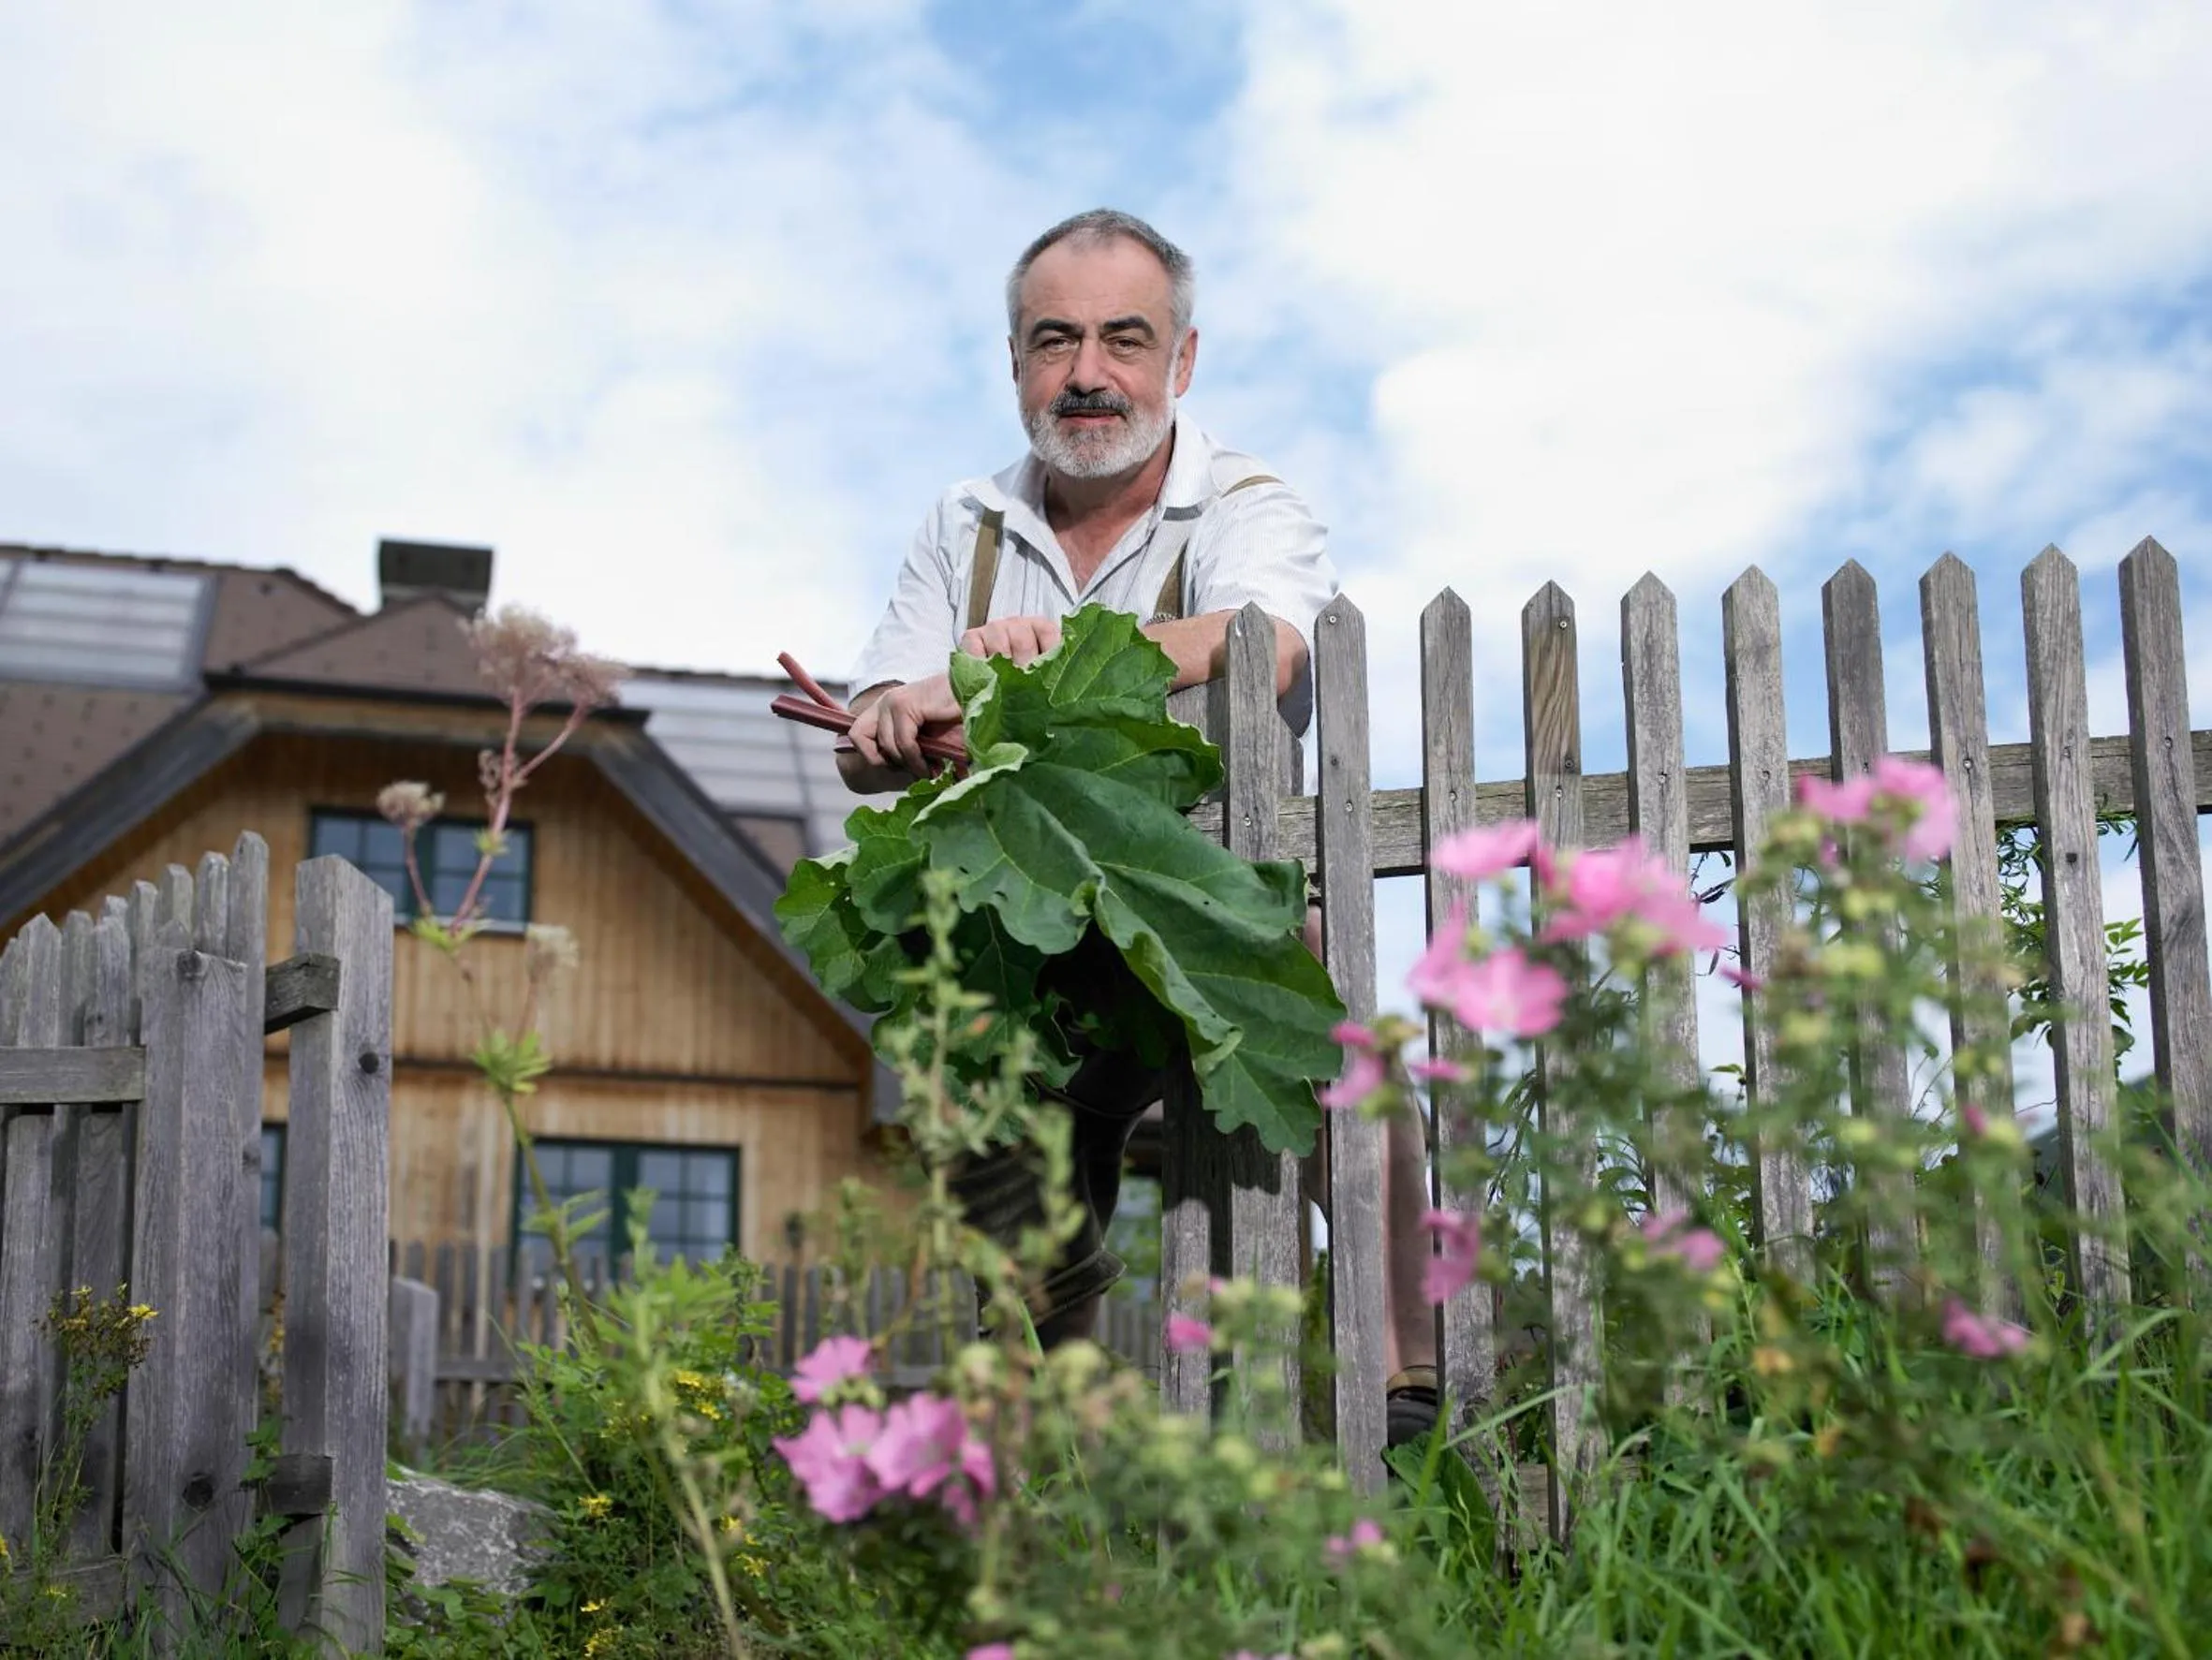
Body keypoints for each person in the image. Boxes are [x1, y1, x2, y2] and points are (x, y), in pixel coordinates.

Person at [839, 208, 1443, 1446]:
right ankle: (1039, 1428)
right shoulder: (964, 525)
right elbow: (877, 712)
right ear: (1015, 363)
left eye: (1125, 339)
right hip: (1035, 920)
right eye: (1053, 341)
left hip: (1211, 897)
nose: (1087, 375)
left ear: (1182, 360)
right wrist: (886, 721)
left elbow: (1264, 646)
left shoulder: (1245, 501)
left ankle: (1410, 1381)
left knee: (1339, 1054)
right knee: (1005, 1142)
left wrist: (1037, 661)